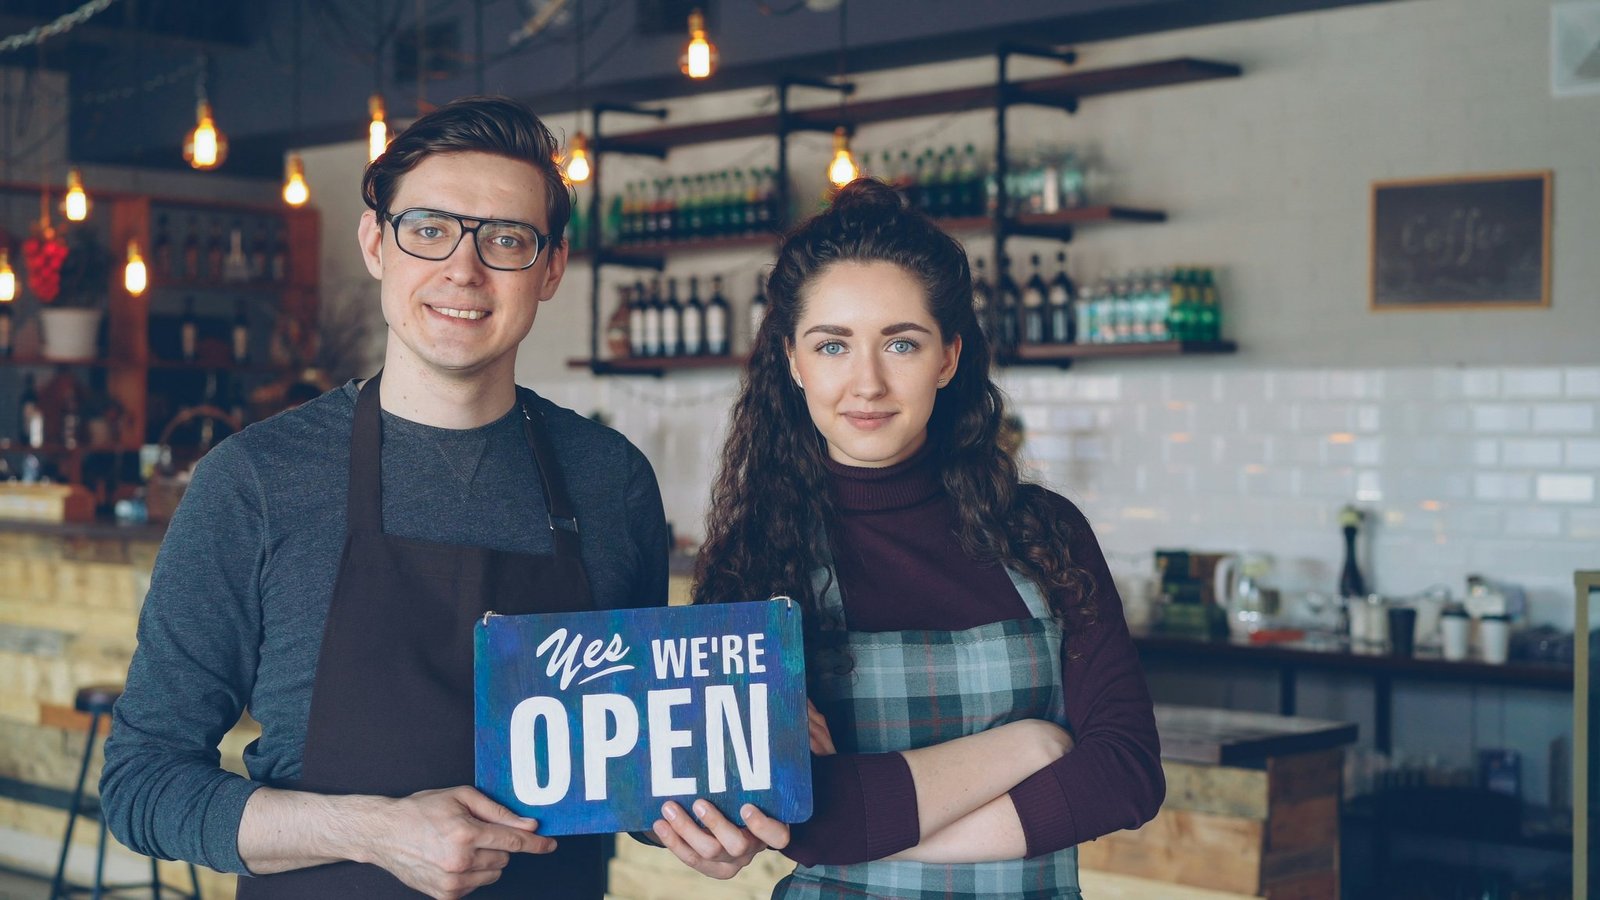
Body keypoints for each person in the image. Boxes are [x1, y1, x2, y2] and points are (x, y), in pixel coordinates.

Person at [101, 96, 781, 899]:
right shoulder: (256, 480)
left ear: (551, 268)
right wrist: (373, 831)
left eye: (507, 239)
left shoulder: (610, 480)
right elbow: (142, 784)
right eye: (429, 229)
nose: (464, 269)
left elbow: (624, 763)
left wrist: (707, 810)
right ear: (375, 243)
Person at [686, 178, 1165, 897]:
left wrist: (863, 829)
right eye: (832, 345)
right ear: (792, 361)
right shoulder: (758, 562)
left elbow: (1125, 774)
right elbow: (767, 806)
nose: (867, 383)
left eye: (901, 344)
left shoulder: (1043, 532)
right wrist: (1028, 745)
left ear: (947, 358)